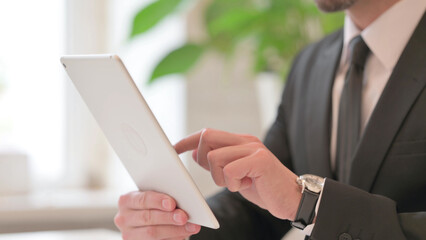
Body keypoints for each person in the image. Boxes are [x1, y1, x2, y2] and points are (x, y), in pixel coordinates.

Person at [114, 0, 426, 238]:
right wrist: (179, 223)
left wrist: (309, 203)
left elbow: (296, 199)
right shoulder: (310, 65)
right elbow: (260, 208)